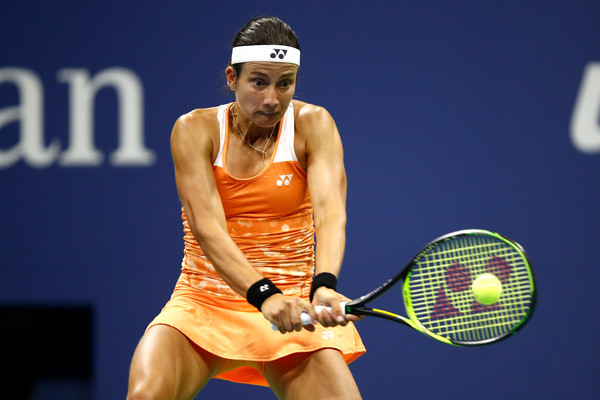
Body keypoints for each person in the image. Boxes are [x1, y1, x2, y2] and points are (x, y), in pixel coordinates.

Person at [126, 16, 365, 400]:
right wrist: (264, 296)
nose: (272, 99)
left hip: (293, 307)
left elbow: (331, 213)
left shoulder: (313, 124)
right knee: (146, 396)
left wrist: (324, 285)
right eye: (258, 81)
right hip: (204, 303)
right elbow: (208, 228)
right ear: (231, 78)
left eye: (284, 83)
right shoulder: (194, 130)